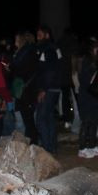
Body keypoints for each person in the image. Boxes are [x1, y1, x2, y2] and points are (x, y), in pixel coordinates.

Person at [35, 25, 65, 155]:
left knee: (41, 118)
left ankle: (47, 148)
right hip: (54, 87)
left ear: (47, 35)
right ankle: (52, 146)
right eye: (37, 34)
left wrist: (43, 89)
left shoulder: (48, 49)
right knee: (49, 117)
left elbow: (49, 71)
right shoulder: (52, 48)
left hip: (49, 88)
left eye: (40, 34)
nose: (38, 37)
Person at [74, 38, 98, 158]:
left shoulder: (92, 61)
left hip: (93, 95)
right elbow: (86, 80)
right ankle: (82, 148)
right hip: (87, 95)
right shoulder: (86, 61)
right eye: (96, 48)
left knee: (94, 121)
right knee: (86, 121)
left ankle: (91, 146)